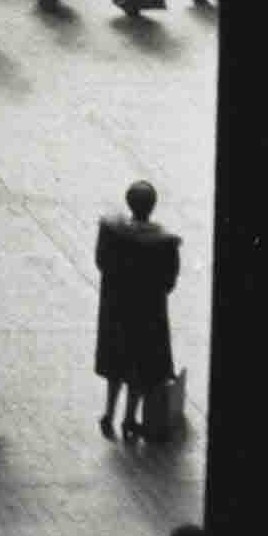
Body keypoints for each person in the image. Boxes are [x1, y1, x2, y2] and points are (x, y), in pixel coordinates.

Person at [94, 179, 182, 440]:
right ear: (153, 206)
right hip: (149, 313)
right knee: (140, 368)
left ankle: (108, 413)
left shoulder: (111, 232)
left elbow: (102, 263)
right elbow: (169, 281)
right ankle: (130, 418)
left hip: (117, 310)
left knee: (115, 366)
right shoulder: (165, 242)